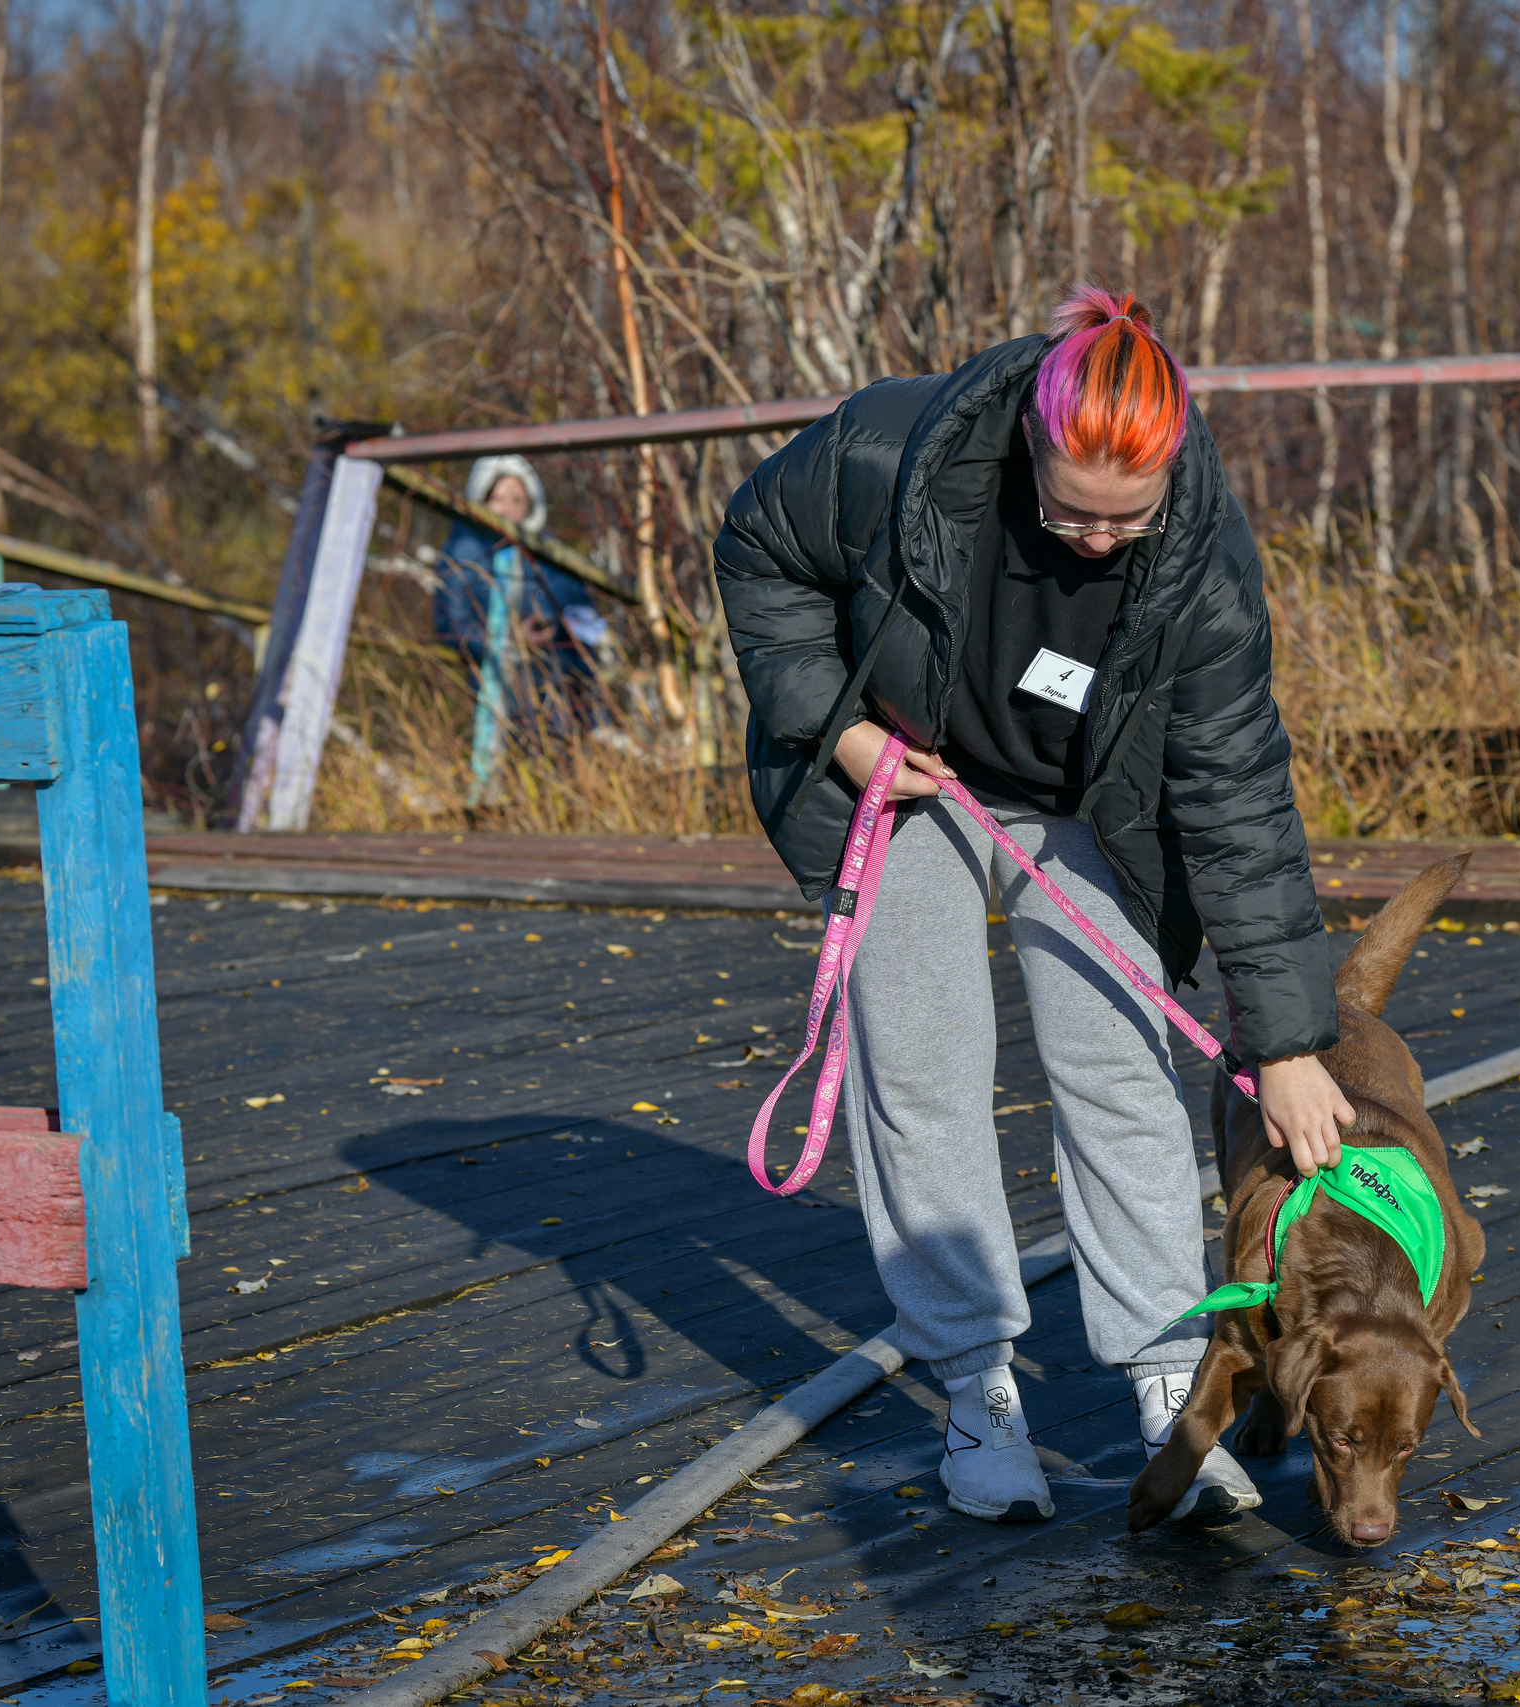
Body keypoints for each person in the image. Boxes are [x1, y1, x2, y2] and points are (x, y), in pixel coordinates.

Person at [716, 287, 1351, 1526]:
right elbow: (759, 551)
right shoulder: (887, 452)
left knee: (1118, 1070)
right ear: (1027, 447)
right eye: (1069, 511)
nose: (1096, 542)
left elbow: (1234, 796)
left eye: (1128, 518)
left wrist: (1283, 1044)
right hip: (907, 782)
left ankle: (1170, 1383)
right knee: (923, 1069)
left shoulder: (1204, 566)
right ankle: (974, 1389)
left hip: (1088, 814)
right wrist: (835, 728)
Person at [432, 454, 607, 740]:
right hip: (495, 688)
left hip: (562, 684)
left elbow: (582, 609)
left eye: (517, 500)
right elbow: (450, 624)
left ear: (530, 504)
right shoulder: (463, 551)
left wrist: (558, 626)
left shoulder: (549, 552)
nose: (507, 509)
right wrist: (510, 641)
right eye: (498, 498)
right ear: (482, 498)